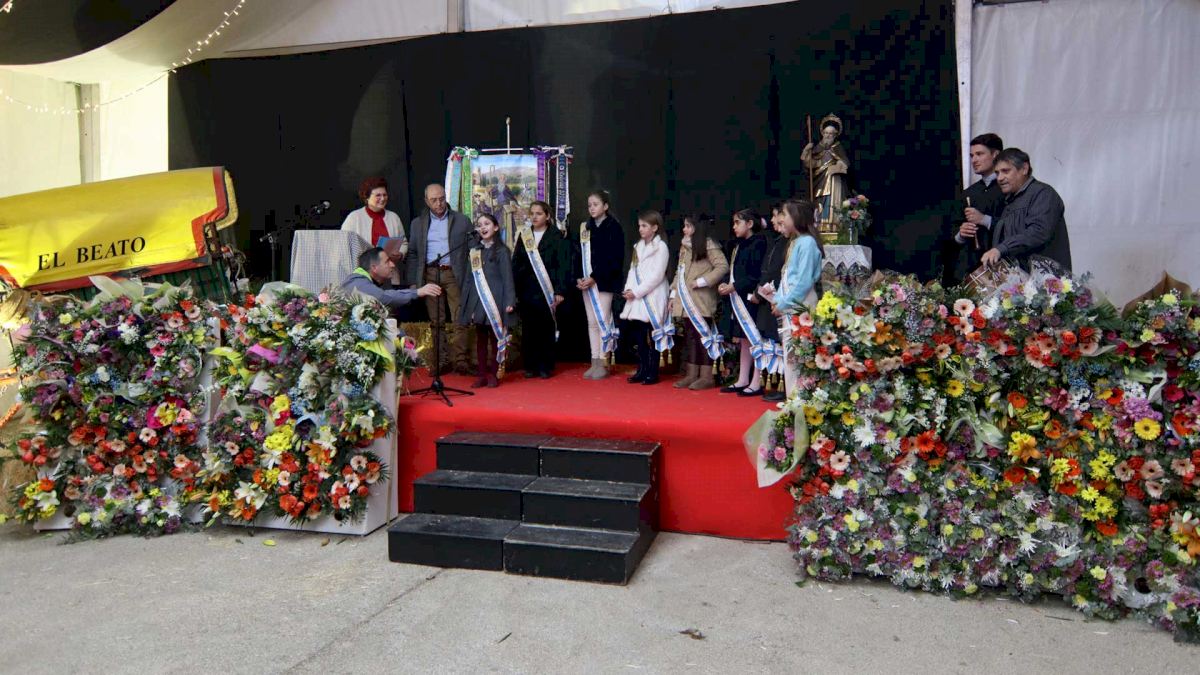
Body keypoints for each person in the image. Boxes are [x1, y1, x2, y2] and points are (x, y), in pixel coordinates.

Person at [405, 183, 474, 374]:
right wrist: (413, 281)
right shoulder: (417, 223)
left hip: (454, 273)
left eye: (442, 199)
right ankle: (440, 361)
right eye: (434, 200)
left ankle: (461, 361)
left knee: (460, 317)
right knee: (436, 320)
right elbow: (412, 253)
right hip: (430, 274)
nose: (439, 203)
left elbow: (474, 248)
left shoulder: (462, 220)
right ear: (426, 201)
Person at [761, 199, 824, 398]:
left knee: (799, 357)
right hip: (792, 304)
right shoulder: (796, 242)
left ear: (796, 217)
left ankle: (800, 403)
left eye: (785, 215)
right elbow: (787, 276)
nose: (781, 219)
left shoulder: (807, 243)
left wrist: (783, 302)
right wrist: (777, 300)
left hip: (801, 305)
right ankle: (793, 402)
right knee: (791, 357)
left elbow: (803, 281)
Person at [980, 148, 1072, 272]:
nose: (1000, 178)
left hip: (1045, 279)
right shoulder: (1010, 200)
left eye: (1006, 171)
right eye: (997, 173)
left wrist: (1001, 249)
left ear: (1024, 169)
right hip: (1022, 278)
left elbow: (1039, 231)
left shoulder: (1043, 193)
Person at [669, 214, 729, 391]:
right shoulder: (685, 246)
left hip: (701, 300)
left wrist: (703, 281)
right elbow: (679, 272)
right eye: (684, 226)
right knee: (690, 338)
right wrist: (673, 294)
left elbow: (722, 266)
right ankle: (691, 374)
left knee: (703, 338)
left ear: (698, 227)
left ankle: (706, 376)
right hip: (685, 299)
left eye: (688, 226)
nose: (684, 229)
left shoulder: (709, 244)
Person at [512, 200, 571, 378]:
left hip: (548, 289)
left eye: (539, 214)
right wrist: (515, 289)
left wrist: (560, 291)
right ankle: (530, 365)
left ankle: (545, 366)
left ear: (547, 216)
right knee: (529, 329)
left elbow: (563, 264)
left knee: (546, 328)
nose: (534, 217)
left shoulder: (556, 236)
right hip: (527, 290)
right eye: (532, 214)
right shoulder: (525, 236)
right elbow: (516, 263)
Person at [458, 213, 516, 388]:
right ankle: (482, 374)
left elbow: (508, 278)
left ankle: (494, 374)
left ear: (496, 227)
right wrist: (467, 302)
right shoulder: (474, 251)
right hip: (478, 300)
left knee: (495, 338)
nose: (483, 227)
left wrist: (510, 301)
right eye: (480, 225)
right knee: (481, 338)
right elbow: (469, 279)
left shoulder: (502, 251)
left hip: (496, 300)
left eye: (487, 224)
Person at [573, 189, 626, 380]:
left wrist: (595, 277)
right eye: (589, 205)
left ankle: (604, 361)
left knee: (603, 319)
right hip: (587, 282)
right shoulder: (585, 228)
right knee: (591, 322)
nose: (592, 208)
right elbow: (577, 254)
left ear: (606, 206)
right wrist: (579, 276)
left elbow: (613, 258)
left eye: (595, 204)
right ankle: (594, 359)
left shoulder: (614, 227)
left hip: (604, 282)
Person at [944, 133, 1006, 284]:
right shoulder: (968, 193)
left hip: (1002, 266)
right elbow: (951, 231)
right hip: (970, 269)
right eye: (972, 156)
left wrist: (984, 220)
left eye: (979, 154)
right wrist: (961, 234)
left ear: (995, 154)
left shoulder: (1007, 188)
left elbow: (1017, 226)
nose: (974, 160)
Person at [719, 209, 768, 396]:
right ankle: (743, 378)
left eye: (737, 222)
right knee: (744, 339)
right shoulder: (739, 244)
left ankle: (756, 380)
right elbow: (734, 270)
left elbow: (754, 274)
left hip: (750, 298)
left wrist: (734, 286)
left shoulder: (759, 243)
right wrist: (726, 283)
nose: (734, 227)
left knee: (755, 338)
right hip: (738, 296)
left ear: (749, 224)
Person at [619, 210, 671, 386]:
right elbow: (632, 270)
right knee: (639, 336)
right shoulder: (638, 246)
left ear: (655, 228)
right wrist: (629, 289)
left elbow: (657, 275)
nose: (640, 229)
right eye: (639, 226)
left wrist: (637, 291)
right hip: (637, 296)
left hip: (653, 295)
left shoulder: (661, 247)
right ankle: (641, 369)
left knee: (653, 334)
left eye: (644, 226)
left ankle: (653, 371)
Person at [341, 177, 408, 284]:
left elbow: (403, 242)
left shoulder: (394, 217)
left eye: (385, 195)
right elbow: (343, 245)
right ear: (366, 197)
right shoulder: (354, 218)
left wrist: (400, 254)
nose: (383, 198)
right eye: (378, 195)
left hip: (390, 276)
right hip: (363, 276)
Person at [756, 204, 788, 402]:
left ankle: (786, 387)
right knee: (776, 341)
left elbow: (780, 270)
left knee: (784, 341)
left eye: (777, 215)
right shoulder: (777, 241)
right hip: (773, 295)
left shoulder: (790, 242)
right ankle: (781, 384)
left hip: (782, 296)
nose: (774, 220)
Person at [341, 247, 441, 311]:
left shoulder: (363, 280)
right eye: (387, 261)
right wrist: (417, 292)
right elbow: (384, 297)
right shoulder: (358, 282)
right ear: (374, 268)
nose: (393, 265)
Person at [801, 114, 850, 226]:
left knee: (832, 200)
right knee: (820, 201)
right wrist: (806, 151)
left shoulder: (838, 147)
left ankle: (834, 222)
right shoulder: (817, 148)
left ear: (835, 135)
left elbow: (845, 162)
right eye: (826, 133)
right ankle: (820, 222)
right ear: (822, 133)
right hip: (819, 180)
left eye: (831, 133)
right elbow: (811, 164)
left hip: (834, 180)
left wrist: (838, 165)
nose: (828, 136)